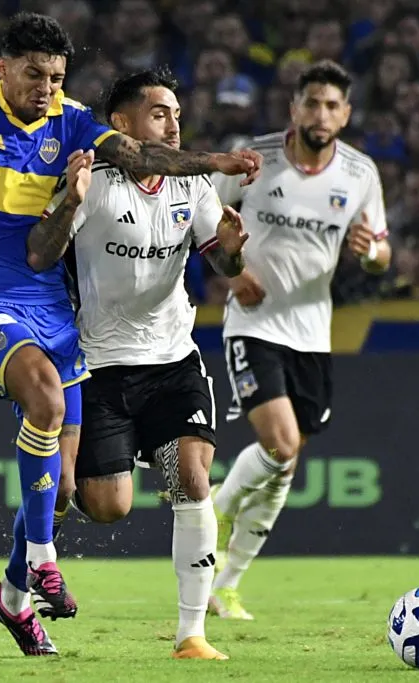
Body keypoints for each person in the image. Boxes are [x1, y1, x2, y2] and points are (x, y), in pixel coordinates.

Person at [0, 12, 262, 656]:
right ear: (3, 68)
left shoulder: (76, 124)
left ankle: (44, 599)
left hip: (94, 330)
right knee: (65, 445)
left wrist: (224, 217)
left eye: (57, 76)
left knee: (119, 484)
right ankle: (40, 556)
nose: (46, 86)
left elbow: (160, 178)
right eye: (35, 73)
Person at [32, 68, 248, 660]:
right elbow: (38, 254)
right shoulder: (93, 180)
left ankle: (191, 634)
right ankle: (56, 487)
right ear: (121, 126)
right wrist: (67, 203)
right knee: (107, 507)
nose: (174, 125)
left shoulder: (194, 185)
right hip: (100, 367)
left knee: (189, 482)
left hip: (173, 362)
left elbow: (223, 267)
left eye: (177, 113)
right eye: (160, 114)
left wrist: (230, 252)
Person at [207, 60, 391, 620]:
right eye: (312, 103)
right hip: (253, 323)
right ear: (294, 108)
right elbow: (199, 218)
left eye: (333, 105)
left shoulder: (359, 174)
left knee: (287, 463)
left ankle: (227, 585)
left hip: (313, 332)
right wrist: (233, 271)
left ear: (347, 114)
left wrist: (371, 255)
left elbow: (381, 251)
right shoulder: (253, 158)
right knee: (281, 444)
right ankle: (217, 509)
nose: (321, 114)